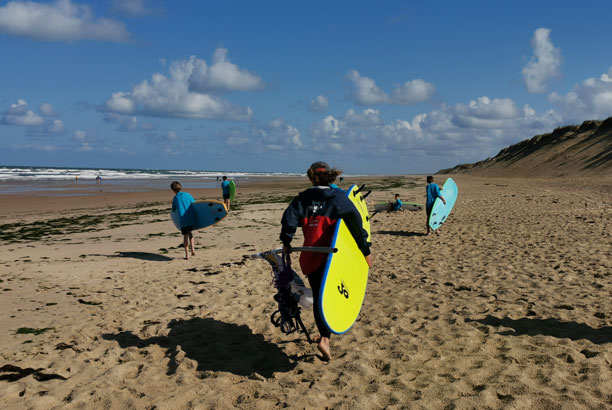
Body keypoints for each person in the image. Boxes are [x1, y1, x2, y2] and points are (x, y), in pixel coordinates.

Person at [280, 161, 372, 361]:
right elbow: (356, 225)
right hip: (333, 258)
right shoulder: (338, 198)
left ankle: (324, 335)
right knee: (328, 297)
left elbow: (289, 219)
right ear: (330, 177)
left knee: (320, 298)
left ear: (311, 177)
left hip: (311, 257)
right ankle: (324, 338)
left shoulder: (303, 198)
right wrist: (365, 250)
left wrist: (286, 241)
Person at [171, 181, 196, 259]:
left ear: (173, 190)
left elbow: (173, 209)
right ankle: (193, 249)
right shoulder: (187, 195)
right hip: (191, 217)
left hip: (183, 219)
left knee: (185, 236)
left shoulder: (175, 198)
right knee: (190, 233)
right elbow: (194, 203)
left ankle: (187, 255)